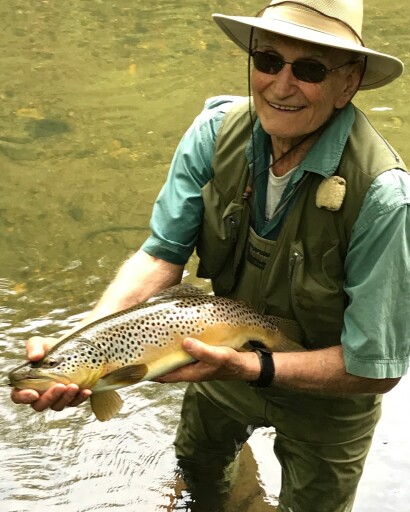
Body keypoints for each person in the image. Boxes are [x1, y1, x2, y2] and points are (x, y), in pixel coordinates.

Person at [11, 1, 410, 510]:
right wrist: (87, 342)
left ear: (348, 83)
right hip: (216, 360)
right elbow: (161, 257)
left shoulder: (385, 198)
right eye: (268, 61)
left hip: (329, 397)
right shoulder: (214, 133)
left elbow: (377, 369)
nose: (281, 85)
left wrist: (249, 368)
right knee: (198, 468)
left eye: (309, 69)